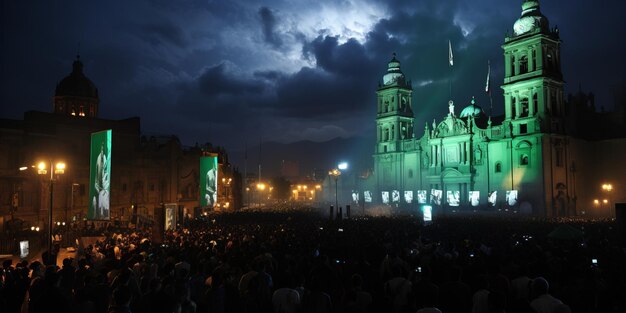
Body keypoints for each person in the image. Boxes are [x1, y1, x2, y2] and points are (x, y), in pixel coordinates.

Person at [94, 142, 110, 219]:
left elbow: (105, 167)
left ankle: (104, 213)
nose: (102, 150)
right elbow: (97, 170)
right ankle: (101, 212)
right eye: (101, 148)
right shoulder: (99, 158)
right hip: (100, 181)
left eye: (103, 148)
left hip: (104, 183)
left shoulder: (104, 157)